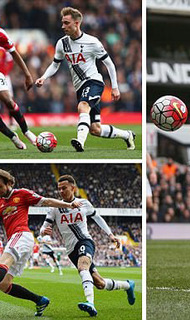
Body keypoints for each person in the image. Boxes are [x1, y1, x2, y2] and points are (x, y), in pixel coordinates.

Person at [35, 7, 135, 152]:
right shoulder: (62, 43)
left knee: (83, 106)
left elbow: (109, 64)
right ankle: (127, 135)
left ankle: (80, 142)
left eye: (66, 23)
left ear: (77, 23)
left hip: (94, 82)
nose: (63, 26)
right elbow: (55, 65)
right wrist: (43, 78)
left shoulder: (92, 42)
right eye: (62, 23)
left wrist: (115, 87)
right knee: (95, 129)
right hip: (79, 87)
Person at [39, 175, 135, 317]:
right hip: (71, 250)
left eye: (64, 188)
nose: (60, 191)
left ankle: (90, 303)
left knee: (82, 267)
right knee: (99, 283)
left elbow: (97, 217)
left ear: (73, 188)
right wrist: (43, 231)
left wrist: (111, 235)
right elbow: (43, 228)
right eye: (58, 189)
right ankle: (128, 285)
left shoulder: (84, 203)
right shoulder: (55, 208)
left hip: (85, 241)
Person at [0, 169, 81, 316]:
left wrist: (69, 205)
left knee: (1, 265)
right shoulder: (0, 202)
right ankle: (40, 300)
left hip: (22, 235)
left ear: (9, 183)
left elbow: (47, 201)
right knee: (3, 284)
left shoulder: (22, 194)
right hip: (15, 240)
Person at [0, 28, 37, 149]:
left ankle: (26, 131)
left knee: (9, 101)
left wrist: (27, 74)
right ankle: (12, 136)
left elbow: (14, 53)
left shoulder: (1, 34)